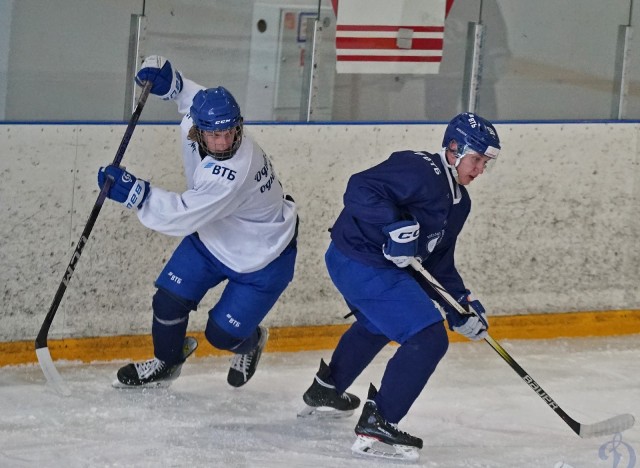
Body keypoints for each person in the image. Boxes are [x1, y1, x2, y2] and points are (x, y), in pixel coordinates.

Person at [298, 112, 501, 461]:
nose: (481, 169)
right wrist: (393, 224)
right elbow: (358, 188)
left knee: (379, 322)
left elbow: (437, 266)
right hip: (357, 258)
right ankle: (378, 424)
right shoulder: (420, 169)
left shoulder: (459, 204)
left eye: (486, 163)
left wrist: (462, 305)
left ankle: (327, 389)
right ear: (454, 149)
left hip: (369, 265)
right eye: (477, 159)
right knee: (427, 337)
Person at [97, 55, 298, 389]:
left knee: (221, 334)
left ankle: (252, 339)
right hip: (215, 235)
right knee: (167, 300)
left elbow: (181, 214)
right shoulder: (209, 118)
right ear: (198, 129)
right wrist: (173, 84)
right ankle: (168, 360)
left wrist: (137, 192)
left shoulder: (231, 173)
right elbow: (200, 99)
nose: (221, 142)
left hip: (262, 256)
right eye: (213, 134)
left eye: (228, 133)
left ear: (239, 127)